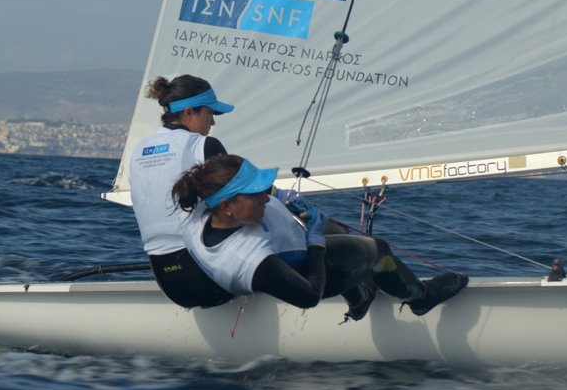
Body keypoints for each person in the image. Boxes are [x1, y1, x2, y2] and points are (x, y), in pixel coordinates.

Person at [172, 154, 468, 319]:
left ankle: (360, 297)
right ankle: (420, 297)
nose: (264, 197)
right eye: (256, 193)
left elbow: (232, 187)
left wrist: (280, 196)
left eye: (265, 189)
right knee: (378, 250)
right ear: (227, 207)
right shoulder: (249, 260)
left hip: (286, 241)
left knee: (340, 232)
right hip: (307, 271)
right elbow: (309, 296)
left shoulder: (199, 207)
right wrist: (315, 242)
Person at [127, 75, 237, 308]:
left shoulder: (139, 150)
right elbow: (243, 200)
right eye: (210, 113)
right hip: (208, 280)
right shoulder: (205, 145)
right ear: (188, 113)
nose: (213, 123)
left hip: (167, 282)